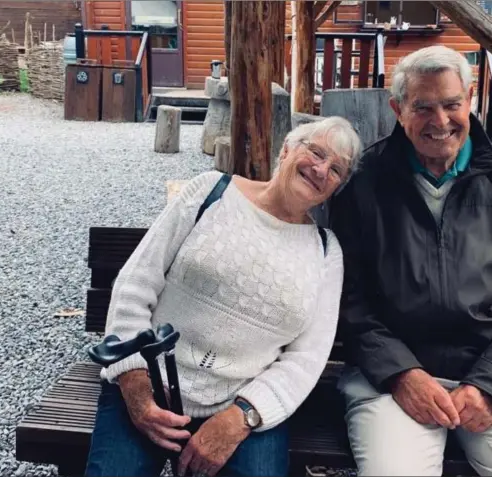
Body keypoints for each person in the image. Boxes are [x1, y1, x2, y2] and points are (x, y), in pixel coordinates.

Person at [84, 117, 363, 477]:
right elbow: (135, 286)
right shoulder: (209, 192)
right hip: (152, 382)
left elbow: (306, 358)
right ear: (287, 149)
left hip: (242, 405)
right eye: (316, 151)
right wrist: (136, 387)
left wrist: (242, 417)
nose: (321, 169)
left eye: (336, 168)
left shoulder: (326, 252)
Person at [330, 45, 492, 476]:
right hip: (389, 382)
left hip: (486, 373)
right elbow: (350, 299)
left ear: (470, 98)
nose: (440, 122)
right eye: (422, 107)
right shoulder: (363, 184)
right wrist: (402, 374)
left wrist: (485, 385)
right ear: (397, 108)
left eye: (451, 104)